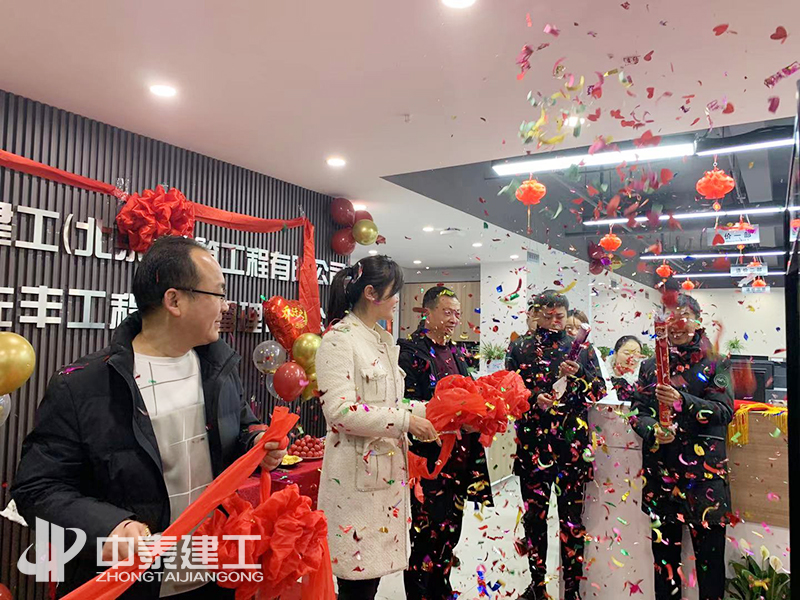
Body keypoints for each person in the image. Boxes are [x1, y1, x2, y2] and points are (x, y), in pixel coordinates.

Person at [11, 236, 287, 599]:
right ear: (174, 301)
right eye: (218, 294)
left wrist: (256, 441)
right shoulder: (84, 385)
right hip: (129, 582)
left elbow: (241, 425)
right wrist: (111, 527)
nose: (226, 306)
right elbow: (38, 489)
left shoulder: (219, 368)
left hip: (215, 571)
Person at [315, 255, 438, 600]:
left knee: (371, 580)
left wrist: (437, 410)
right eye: (393, 291)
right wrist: (406, 421)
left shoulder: (379, 339)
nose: (397, 299)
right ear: (371, 293)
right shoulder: (339, 340)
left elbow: (389, 403)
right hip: (355, 486)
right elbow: (340, 412)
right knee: (357, 586)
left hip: (384, 483)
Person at [629, 294, 733, 600]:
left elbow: (723, 411)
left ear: (698, 321)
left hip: (704, 480)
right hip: (661, 477)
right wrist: (652, 430)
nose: (675, 324)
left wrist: (681, 400)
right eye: (669, 317)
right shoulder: (650, 365)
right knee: (665, 568)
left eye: (683, 316)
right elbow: (637, 412)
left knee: (710, 569)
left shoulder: (717, 363)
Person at [506, 291, 605, 600]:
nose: (553, 321)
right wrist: (534, 397)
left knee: (572, 522)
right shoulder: (519, 348)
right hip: (532, 446)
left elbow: (598, 392)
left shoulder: (583, 350)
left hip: (571, 448)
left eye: (559, 316)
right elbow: (508, 392)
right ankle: (537, 586)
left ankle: (571, 589)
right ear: (536, 314)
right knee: (534, 521)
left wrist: (580, 375)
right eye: (547, 316)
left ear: (567, 315)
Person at [398, 286, 492, 600]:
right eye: (447, 312)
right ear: (427, 313)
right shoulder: (409, 352)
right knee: (425, 534)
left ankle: (442, 589)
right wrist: (451, 418)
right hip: (429, 460)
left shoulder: (459, 352)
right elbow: (406, 405)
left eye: (457, 313)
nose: (454, 319)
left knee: (452, 531)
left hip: (460, 458)